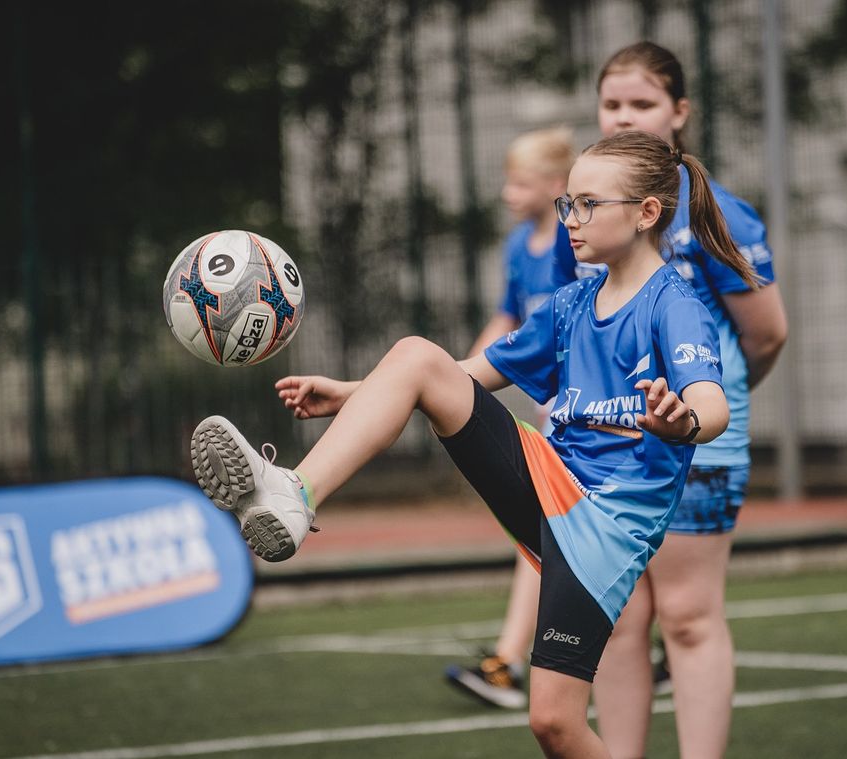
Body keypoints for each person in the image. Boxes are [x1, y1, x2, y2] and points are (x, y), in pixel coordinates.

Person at [189, 130, 757, 759]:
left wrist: (681, 423)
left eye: (589, 204)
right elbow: (466, 373)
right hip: (551, 482)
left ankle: (295, 493)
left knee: (554, 724)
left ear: (647, 213)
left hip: (608, 523)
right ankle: (294, 492)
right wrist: (352, 391)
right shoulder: (572, 302)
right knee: (415, 357)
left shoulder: (675, 303)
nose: (571, 219)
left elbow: (712, 405)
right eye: (568, 203)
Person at [583, 42, 789, 759]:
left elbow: (766, 335)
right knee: (614, 619)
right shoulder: (591, 211)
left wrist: (709, 408)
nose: (624, 116)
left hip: (697, 448)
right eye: (612, 103)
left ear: (679, 112)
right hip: (602, 450)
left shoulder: (716, 214)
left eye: (641, 103)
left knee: (690, 617)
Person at [445, 127, 575, 709]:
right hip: (556, 417)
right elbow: (505, 320)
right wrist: (448, 377)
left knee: (554, 540)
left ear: (554, 186)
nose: (506, 193)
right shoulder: (520, 246)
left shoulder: (579, 246)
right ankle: (509, 663)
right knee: (544, 539)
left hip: (589, 418)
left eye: (519, 182)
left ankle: (511, 662)